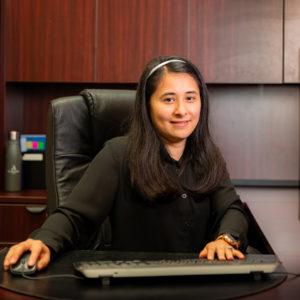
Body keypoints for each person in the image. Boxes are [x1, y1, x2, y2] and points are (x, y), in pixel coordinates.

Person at [4, 56, 249, 272]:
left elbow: (231, 208)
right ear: (147, 105)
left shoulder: (208, 155)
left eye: (190, 98)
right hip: (136, 285)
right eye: (168, 99)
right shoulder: (118, 154)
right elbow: (75, 216)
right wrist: (44, 241)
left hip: (200, 283)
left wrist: (226, 239)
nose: (181, 110)